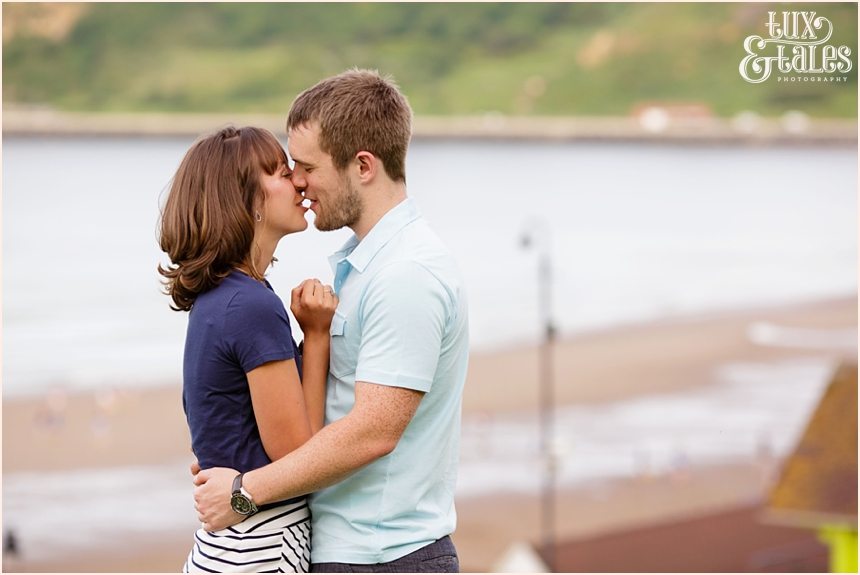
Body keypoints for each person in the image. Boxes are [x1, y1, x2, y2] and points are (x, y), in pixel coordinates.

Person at [193, 69, 470, 573]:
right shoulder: (366, 266)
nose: (297, 182)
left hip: (384, 557)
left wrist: (244, 491)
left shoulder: (405, 274)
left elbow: (373, 431)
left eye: (306, 167)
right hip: (350, 552)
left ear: (362, 166)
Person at [158, 126, 338, 573]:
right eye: (280, 172)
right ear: (245, 200)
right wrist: (317, 337)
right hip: (261, 546)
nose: (298, 182)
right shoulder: (251, 305)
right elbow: (297, 455)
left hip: (229, 547)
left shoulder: (222, 297)